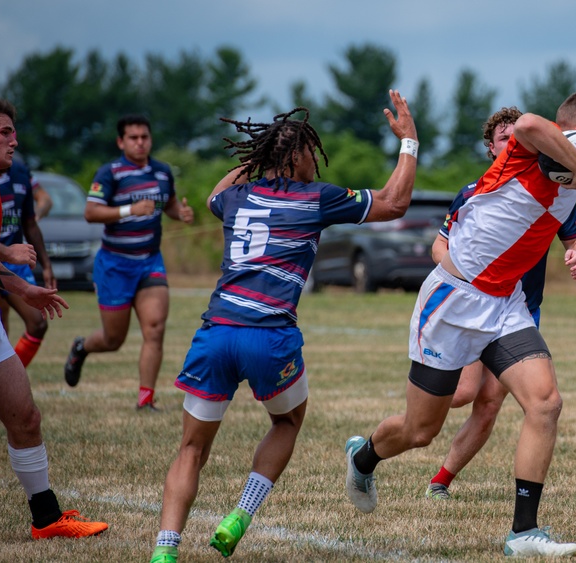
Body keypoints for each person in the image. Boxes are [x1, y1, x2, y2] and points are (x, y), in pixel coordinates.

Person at [344, 90, 576, 557]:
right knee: (420, 431)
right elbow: (527, 124)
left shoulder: (573, 180)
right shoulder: (525, 153)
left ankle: (524, 532)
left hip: (506, 305)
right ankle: (364, 457)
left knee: (545, 404)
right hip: (452, 303)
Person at [148, 90, 419, 563]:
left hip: (216, 332)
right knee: (288, 421)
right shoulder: (317, 198)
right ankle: (239, 516)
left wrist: (256, 159)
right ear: (295, 156)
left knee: (191, 448)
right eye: (310, 151)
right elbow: (394, 203)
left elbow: (214, 192)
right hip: (270, 335)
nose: (316, 161)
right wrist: (409, 143)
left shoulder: (234, 197)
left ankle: (164, 553)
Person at [0, 94, 108, 539]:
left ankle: (46, 520)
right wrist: (9, 249)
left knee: (25, 418)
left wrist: (20, 284)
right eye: (5, 132)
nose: (15, 141)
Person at [424, 106, 576, 501]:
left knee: (489, 403)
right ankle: (416, 407)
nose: (514, 142)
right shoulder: (472, 193)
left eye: (518, 137)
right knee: (464, 393)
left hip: (518, 310)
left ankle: (441, 481)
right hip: (471, 303)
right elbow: (439, 245)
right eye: (505, 138)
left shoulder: (555, 189)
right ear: (491, 148)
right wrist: (462, 267)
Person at [64, 114, 195, 410]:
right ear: (121, 141)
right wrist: (128, 210)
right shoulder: (109, 173)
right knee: (114, 339)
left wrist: (181, 214)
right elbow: (91, 212)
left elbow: (169, 204)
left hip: (150, 262)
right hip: (115, 265)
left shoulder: (162, 172)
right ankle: (81, 347)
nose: (140, 142)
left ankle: (145, 400)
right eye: (133, 138)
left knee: (155, 328)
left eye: (144, 137)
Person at [0, 160, 54, 367]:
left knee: (38, 323)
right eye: (5, 132)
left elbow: (31, 220)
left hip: (14, 263)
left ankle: (10, 380)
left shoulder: (21, 173)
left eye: (12, 132)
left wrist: (46, 265)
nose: (12, 141)